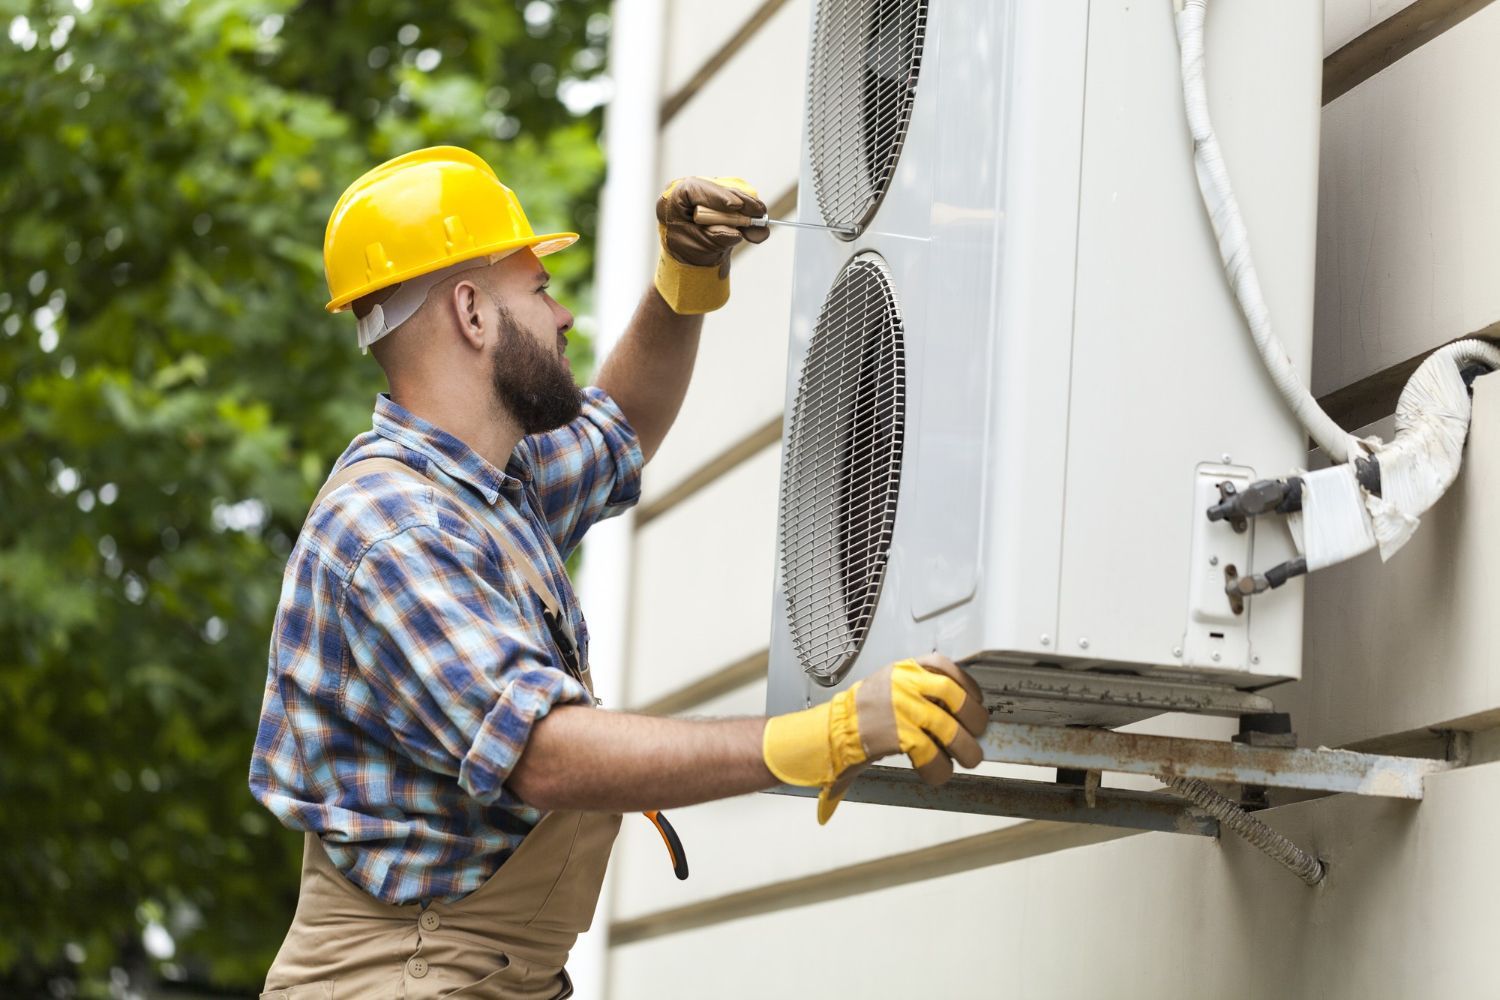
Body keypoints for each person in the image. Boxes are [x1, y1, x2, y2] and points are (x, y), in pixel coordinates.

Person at [249, 146, 988, 999]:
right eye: (539, 289)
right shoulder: (391, 530)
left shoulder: (490, 488)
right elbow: (545, 754)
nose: (562, 317)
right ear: (471, 313)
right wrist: (818, 736)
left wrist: (685, 279)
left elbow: (620, 428)